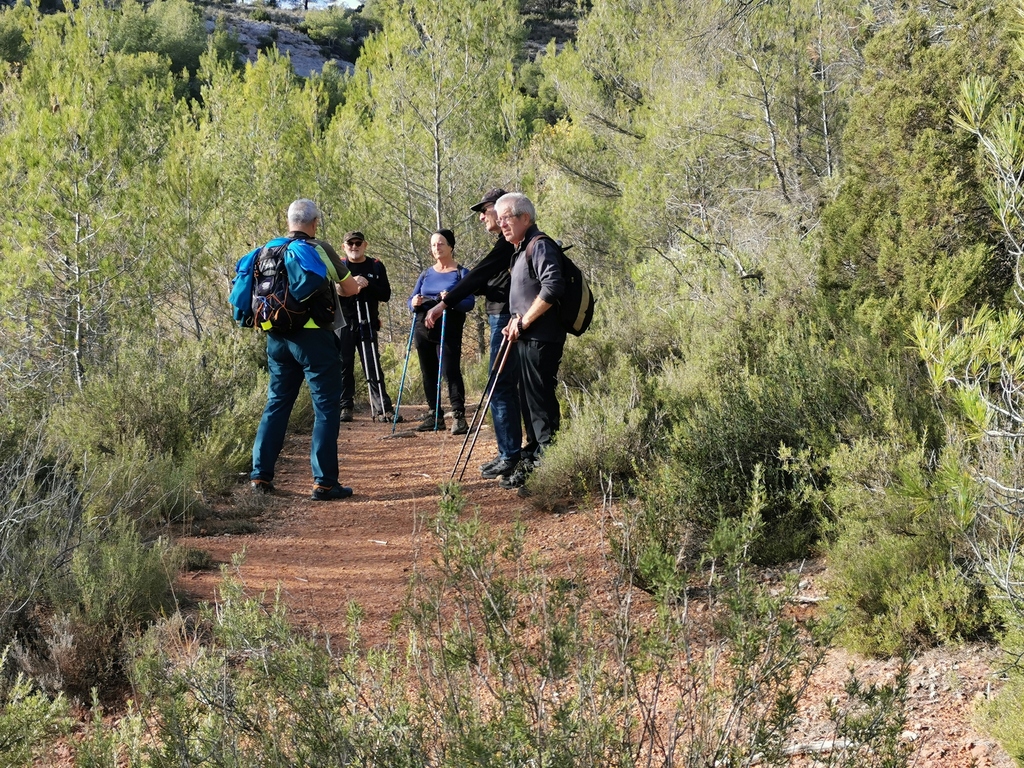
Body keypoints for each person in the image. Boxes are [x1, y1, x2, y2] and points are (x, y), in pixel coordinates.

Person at [249, 199, 368, 501]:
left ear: (289, 221)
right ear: (314, 223)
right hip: (315, 340)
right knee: (326, 408)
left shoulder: (267, 251)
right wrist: (354, 282)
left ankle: (260, 476)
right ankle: (325, 483)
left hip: (276, 337)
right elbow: (348, 289)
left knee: (276, 404)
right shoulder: (319, 249)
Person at [425, 188, 522, 480]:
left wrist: (445, 302)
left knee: (500, 385)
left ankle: (510, 455)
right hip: (500, 315)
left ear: (502, 208)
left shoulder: (507, 245)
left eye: (485, 210)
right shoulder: (505, 245)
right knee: (500, 385)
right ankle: (508, 452)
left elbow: (479, 274)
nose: (482, 217)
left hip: (505, 317)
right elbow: (486, 280)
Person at [496, 192, 566, 490]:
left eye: (506, 218)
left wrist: (523, 321)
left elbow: (553, 287)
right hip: (527, 337)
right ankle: (536, 460)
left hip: (541, 339)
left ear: (525, 218)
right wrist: (516, 320)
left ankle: (549, 474)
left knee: (541, 406)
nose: (502, 225)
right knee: (531, 403)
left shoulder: (540, 245)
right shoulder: (522, 249)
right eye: (498, 220)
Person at [409, 229, 474, 434]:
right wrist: (414, 302)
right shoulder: (426, 273)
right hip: (423, 326)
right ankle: (434, 413)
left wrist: (450, 299)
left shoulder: (461, 273)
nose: (436, 248)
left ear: (451, 247)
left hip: (449, 326)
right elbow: (410, 302)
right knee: (428, 370)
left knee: (449, 370)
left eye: (441, 244)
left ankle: (458, 415)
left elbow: (469, 303)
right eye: (434, 244)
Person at [337, 230, 399, 423]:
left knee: (372, 365)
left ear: (365, 245)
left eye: (358, 243)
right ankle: (345, 406)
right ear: (344, 246)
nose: (354, 247)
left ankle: (383, 408)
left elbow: (385, 294)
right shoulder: (340, 265)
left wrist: (367, 284)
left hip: (368, 321)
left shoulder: (376, 266)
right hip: (344, 323)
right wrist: (351, 284)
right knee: (343, 365)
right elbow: (332, 292)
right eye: (350, 244)